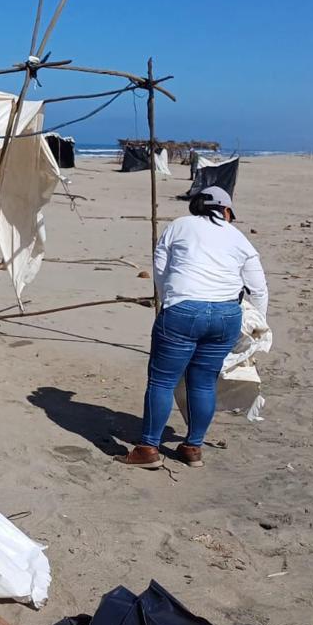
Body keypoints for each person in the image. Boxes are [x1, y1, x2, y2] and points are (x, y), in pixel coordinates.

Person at [119, 186, 268, 470]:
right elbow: (258, 289)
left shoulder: (178, 226)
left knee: (162, 381)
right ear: (225, 210)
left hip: (183, 310)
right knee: (203, 382)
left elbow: (160, 271)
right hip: (226, 315)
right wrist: (258, 328)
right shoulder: (238, 238)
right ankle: (193, 447)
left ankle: (148, 448)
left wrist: (169, 302)